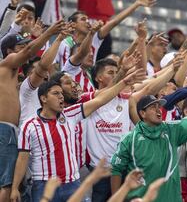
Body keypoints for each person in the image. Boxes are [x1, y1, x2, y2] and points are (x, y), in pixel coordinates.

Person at [10, 68, 145, 202]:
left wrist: (123, 82)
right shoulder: (30, 125)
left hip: (72, 183)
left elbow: (100, 100)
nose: (61, 96)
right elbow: (22, 158)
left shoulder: (70, 114)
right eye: (56, 93)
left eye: (61, 93)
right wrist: (15, 187)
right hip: (43, 184)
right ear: (43, 98)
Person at [0, 20, 65, 202]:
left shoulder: (12, 79)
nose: (25, 51)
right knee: (5, 185)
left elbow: (40, 65)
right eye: (20, 47)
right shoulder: (8, 63)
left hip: (8, 132)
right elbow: (30, 52)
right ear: (9, 52)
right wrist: (50, 32)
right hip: (5, 131)